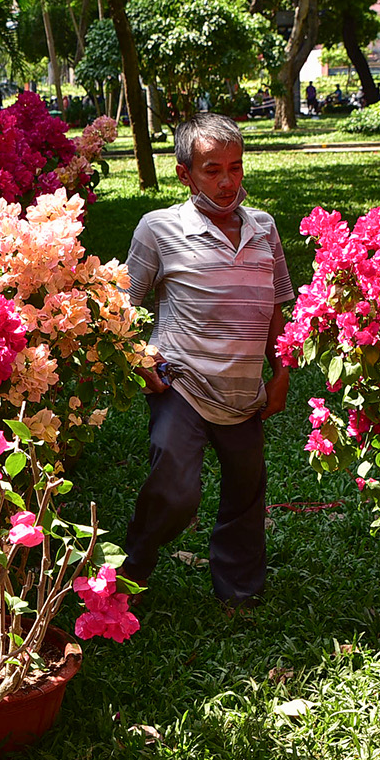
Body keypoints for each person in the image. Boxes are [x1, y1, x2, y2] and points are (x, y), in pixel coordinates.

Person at [121, 114, 293, 606]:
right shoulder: (159, 229)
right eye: (212, 169)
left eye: (235, 168)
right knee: (175, 491)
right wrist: (138, 357)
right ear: (184, 174)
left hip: (245, 391)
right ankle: (131, 568)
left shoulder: (264, 228)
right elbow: (124, 307)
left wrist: (281, 375)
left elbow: (276, 308)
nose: (226, 181)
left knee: (245, 492)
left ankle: (240, 590)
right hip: (182, 384)